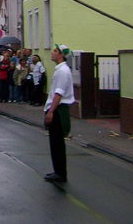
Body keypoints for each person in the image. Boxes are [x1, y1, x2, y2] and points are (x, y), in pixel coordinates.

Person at [44, 44, 75, 183]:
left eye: (55, 51)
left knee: (57, 143)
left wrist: (51, 111)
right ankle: (58, 171)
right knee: (55, 143)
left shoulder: (63, 71)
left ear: (61, 55)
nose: (52, 52)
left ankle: (60, 173)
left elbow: (59, 93)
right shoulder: (61, 70)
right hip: (57, 109)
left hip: (58, 110)